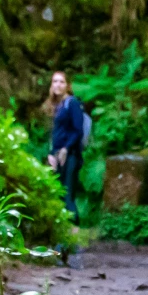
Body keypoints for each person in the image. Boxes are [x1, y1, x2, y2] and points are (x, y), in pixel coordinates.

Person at [46, 71, 90, 222]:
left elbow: (78, 130)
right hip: (57, 154)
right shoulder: (57, 105)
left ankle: (74, 236)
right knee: (59, 194)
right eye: (55, 81)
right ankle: (64, 238)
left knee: (67, 194)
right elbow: (55, 134)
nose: (57, 85)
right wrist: (51, 154)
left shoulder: (72, 103)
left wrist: (65, 149)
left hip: (71, 155)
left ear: (67, 85)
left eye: (61, 82)